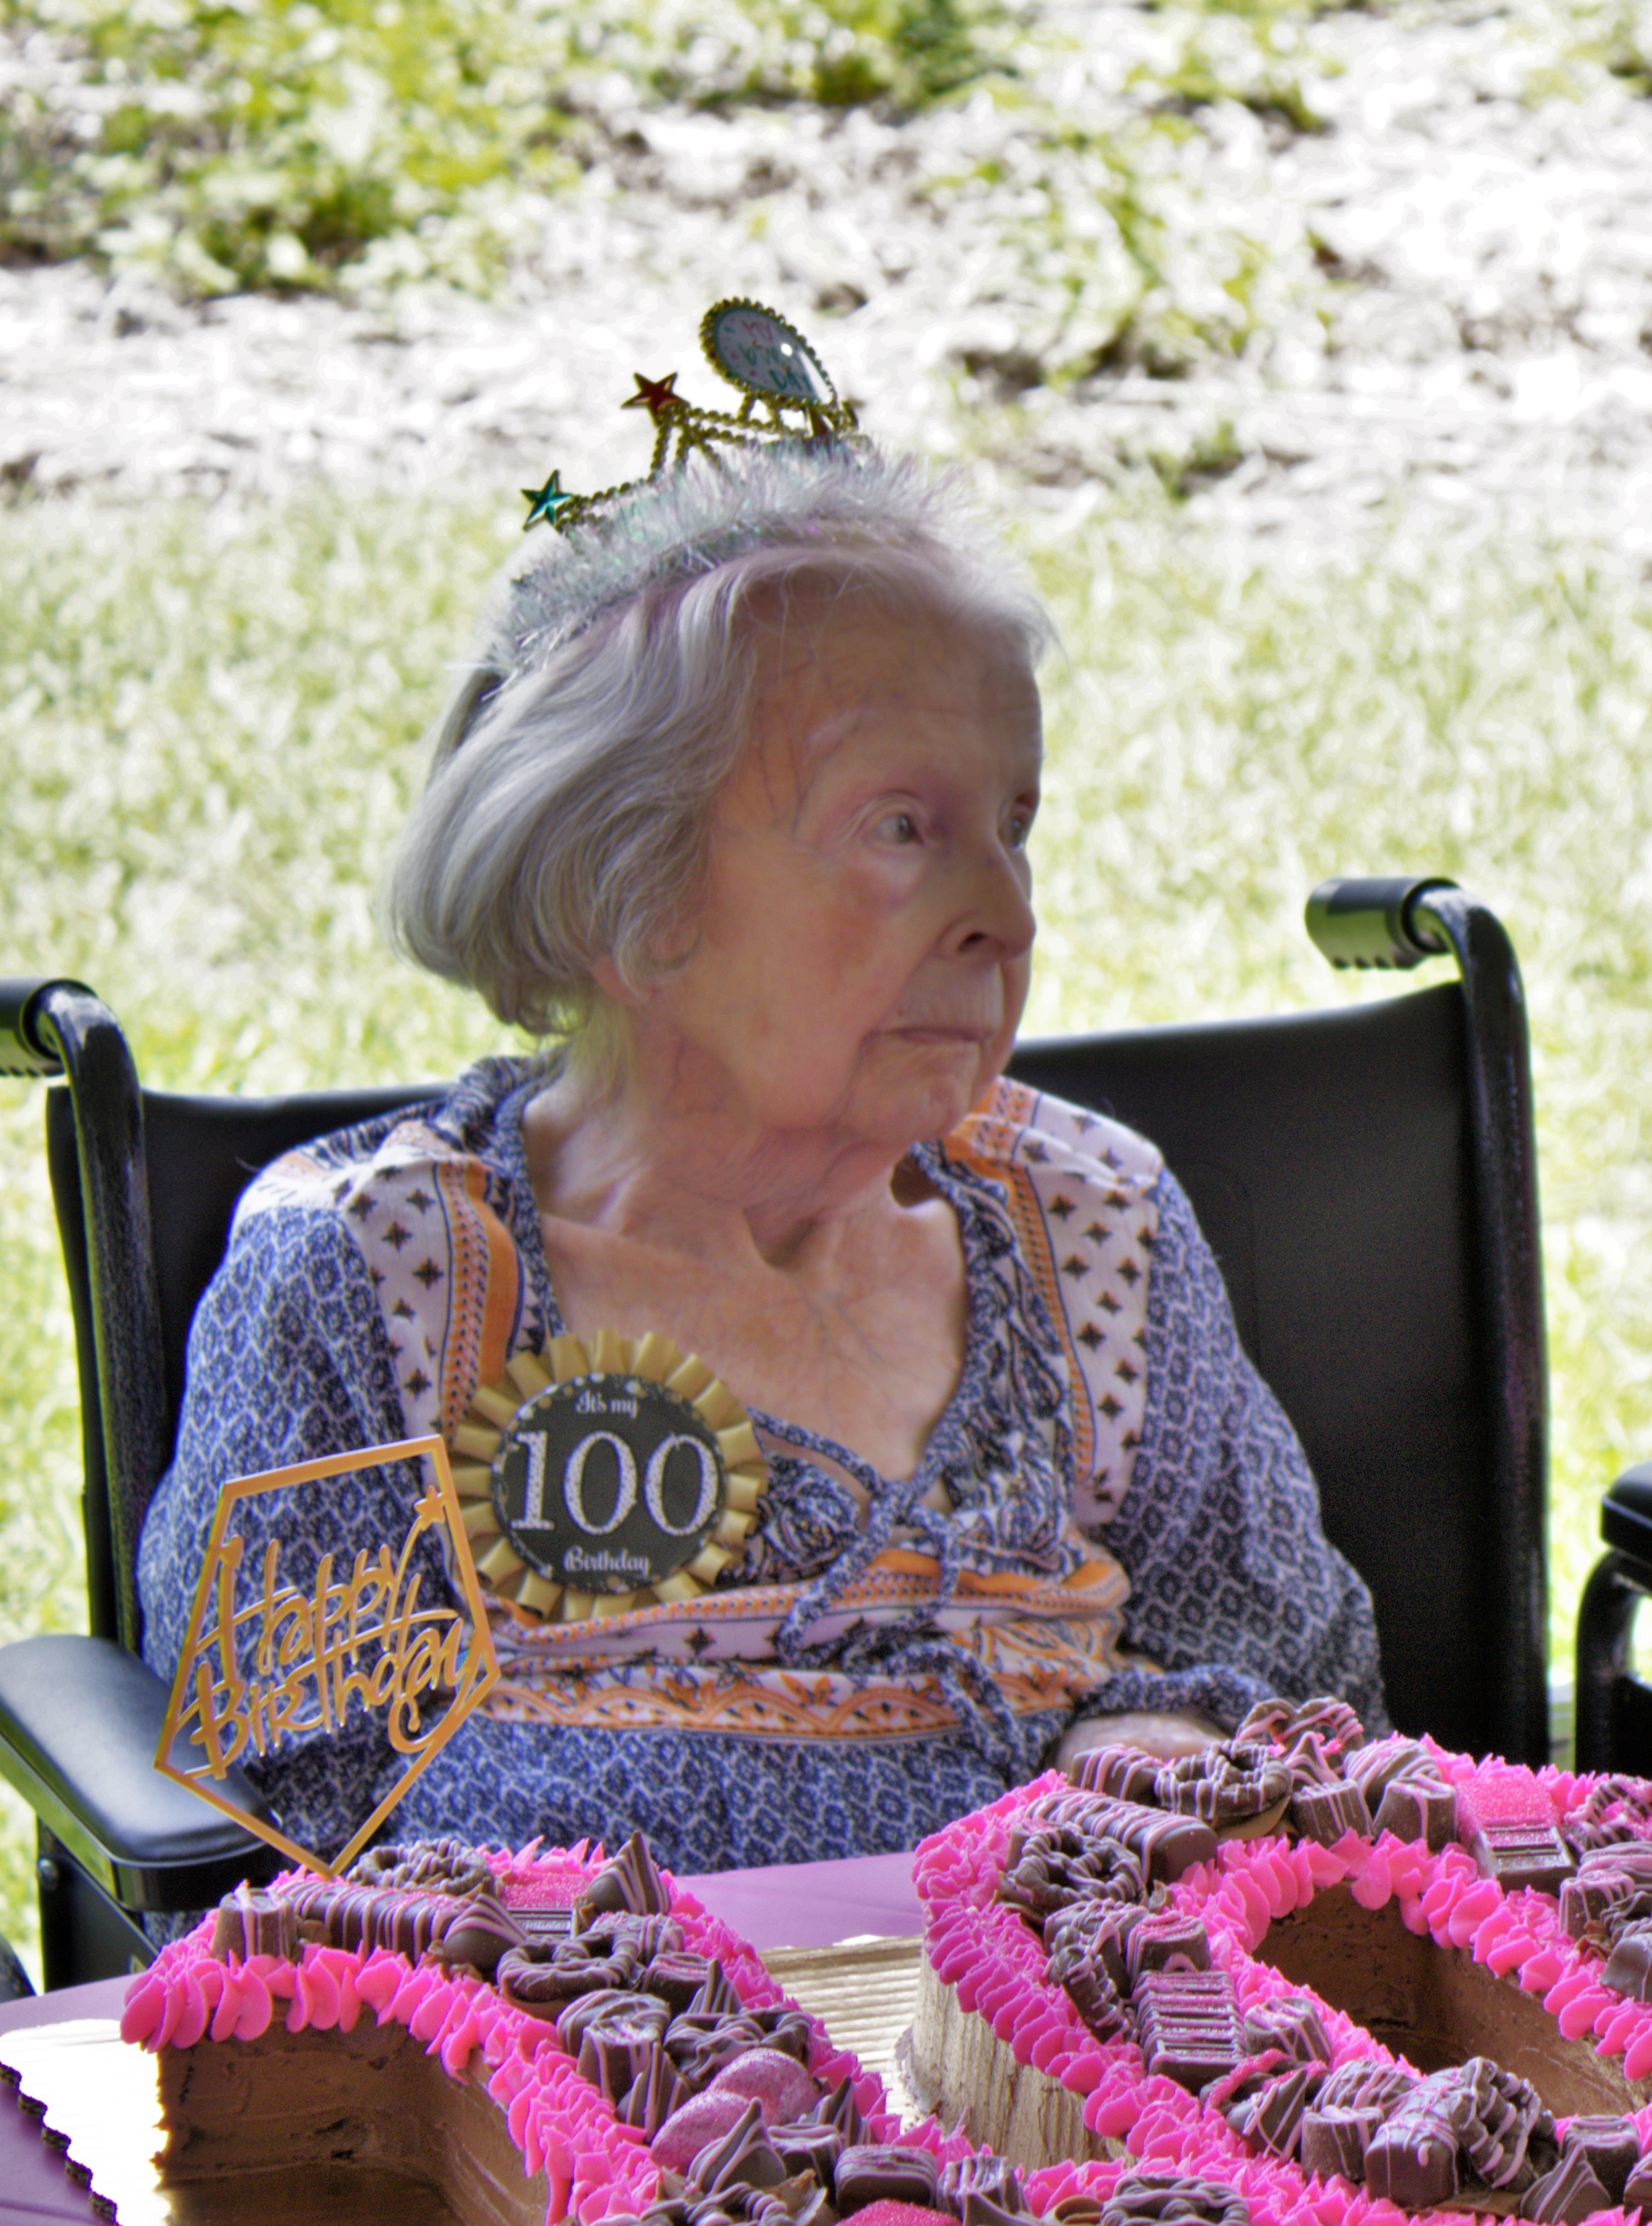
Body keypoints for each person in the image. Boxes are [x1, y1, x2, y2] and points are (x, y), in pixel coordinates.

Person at [134, 426, 1382, 1873]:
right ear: (630, 892)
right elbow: (282, 1815)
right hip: (566, 2067)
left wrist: (1159, 1745)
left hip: (1063, 2061)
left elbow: (1288, 1657)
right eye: (901, 826)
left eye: (1015, 826)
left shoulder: (1092, 1229)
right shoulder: (381, 1282)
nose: (1004, 911)